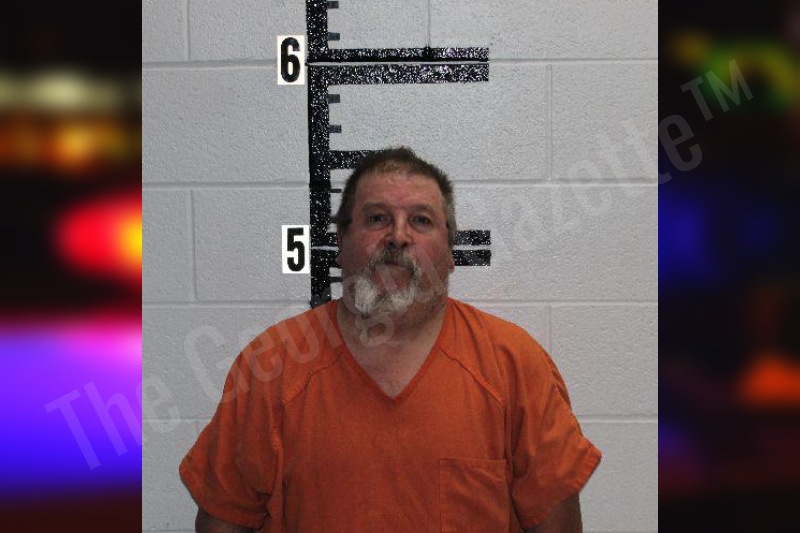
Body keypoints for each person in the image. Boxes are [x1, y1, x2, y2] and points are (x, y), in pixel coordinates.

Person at [180, 147, 601, 533]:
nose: (398, 237)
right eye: (377, 218)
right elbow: (223, 522)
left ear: (450, 252)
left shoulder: (513, 365)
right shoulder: (272, 365)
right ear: (341, 242)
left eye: (421, 220)